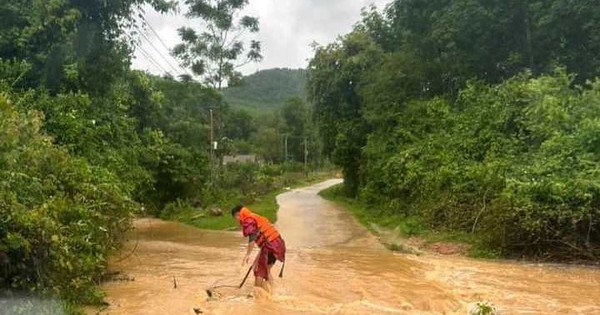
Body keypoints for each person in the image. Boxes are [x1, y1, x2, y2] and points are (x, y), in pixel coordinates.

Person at [231, 205, 286, 291]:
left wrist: (248, 254)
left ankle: (256, 294)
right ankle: (272, 291)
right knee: (266, 269)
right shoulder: (254, 216)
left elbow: (252, 238)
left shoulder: (248, 220)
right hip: (278, 244)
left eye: (236, 218)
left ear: (238, 214)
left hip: (270, 245)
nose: (237, 220)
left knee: (258, 269)